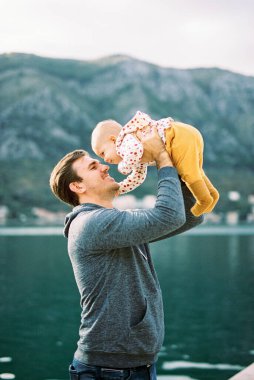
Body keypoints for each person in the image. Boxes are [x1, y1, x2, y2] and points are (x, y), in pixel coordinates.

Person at [49, 127, 203, 380]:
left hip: (132, 366)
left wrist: (182, 160)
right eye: (92, 167)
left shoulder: (113, 222)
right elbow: (169, 216)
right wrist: (162, 159)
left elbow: (190, 218)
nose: (105, 166)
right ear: (77, 185)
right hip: (109, 370)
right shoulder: (91, 225)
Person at [91, 110, 219, 217]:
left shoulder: (125, 140)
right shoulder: (136, 154)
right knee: (196, 170)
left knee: (188, 174)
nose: (105, 160)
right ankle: (212, 194)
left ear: (113, 139)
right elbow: (138, 177)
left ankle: (204, 200)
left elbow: (135, 151)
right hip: (186, 134)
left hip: (177, 136)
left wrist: (123, 166)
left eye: (103, 153)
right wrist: (121, 188)